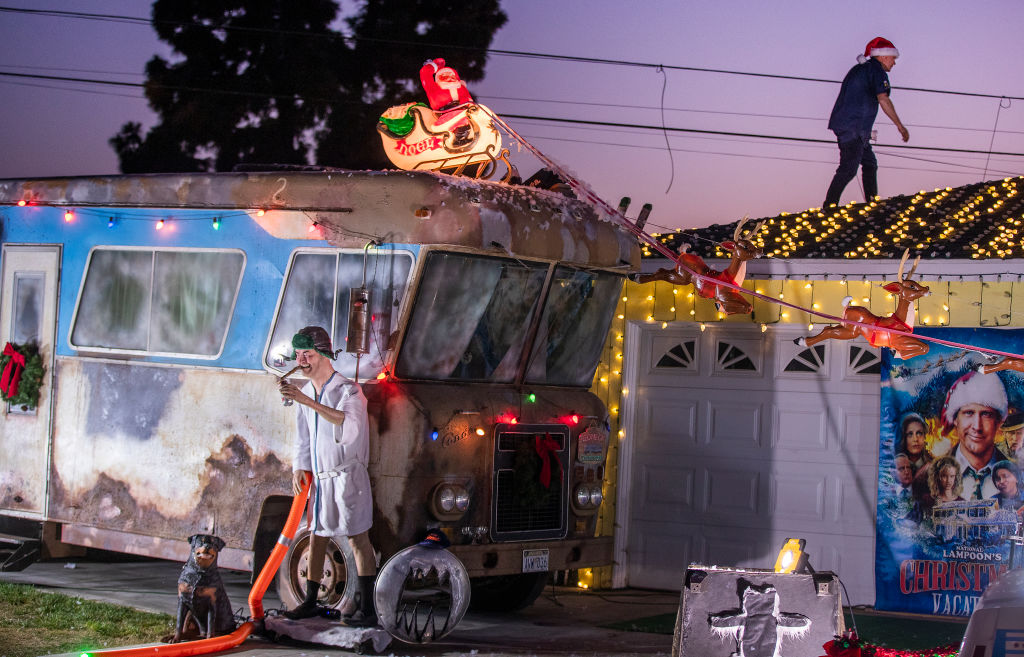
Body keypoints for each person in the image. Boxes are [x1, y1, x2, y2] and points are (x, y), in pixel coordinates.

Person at [279, 326, 377, 627]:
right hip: (321, 479)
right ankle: (309, 601)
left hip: (348, 478)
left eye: (307, 355)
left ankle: (367, 608)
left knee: (358, 538)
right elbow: (303, 438)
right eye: (298, 356)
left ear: (323, 355)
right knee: (317, 535)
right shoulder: (306, 392)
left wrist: (306, 401)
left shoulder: (349, 391)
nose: (302, 361)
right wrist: (300, 466)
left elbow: (349, 426)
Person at [823, 37, 910, 208]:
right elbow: (883, 99)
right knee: (848, 169)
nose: (894, 63)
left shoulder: (860, 69)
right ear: (883, 56)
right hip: (853, 127)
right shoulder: (876, 72)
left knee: (869, 164)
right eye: (893, 58)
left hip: (852, 127)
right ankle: (829, 206)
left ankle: (872, 203)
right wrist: (900, 126)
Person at [927, 370, 1009, 500]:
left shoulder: (1016, 474)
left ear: (998, 422)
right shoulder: (929, 476)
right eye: (969, 413)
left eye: (986, 414)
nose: (977, 426)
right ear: (955, 419)